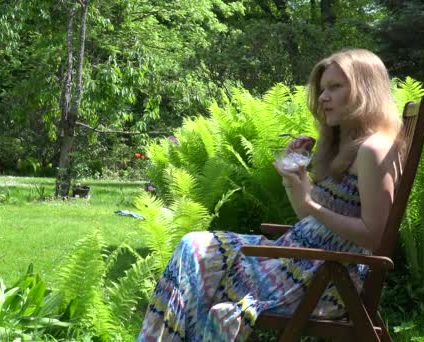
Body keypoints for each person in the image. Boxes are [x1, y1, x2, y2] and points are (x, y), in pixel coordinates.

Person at [137, 48, 403, 341]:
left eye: (335, 87)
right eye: (323, 89)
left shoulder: (374, 149)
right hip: (303, 263)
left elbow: (374, 236)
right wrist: (295, 180)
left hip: (325, 279)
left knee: (195, 253)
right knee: (195, 247)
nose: (323, 97)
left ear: (365, 90)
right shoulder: (352, 145)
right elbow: (310, 217)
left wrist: (312, 204)